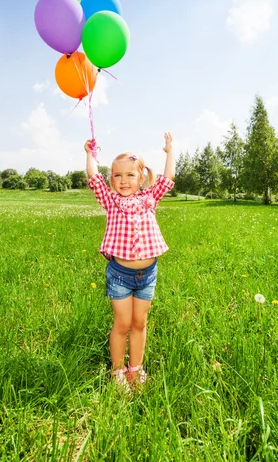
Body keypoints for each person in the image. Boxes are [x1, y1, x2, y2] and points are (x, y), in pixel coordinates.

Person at [85, 133, 175, 389]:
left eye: (130, 175)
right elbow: (93, 179)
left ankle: (135, 369)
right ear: (111, 179)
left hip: (147, 275)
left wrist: (170, 151)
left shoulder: (149, 199)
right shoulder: (111, 201)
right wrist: (90, 154)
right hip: (120, 275)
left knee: (139, 323)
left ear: (142, 177)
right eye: (117, 175)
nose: (124, 181)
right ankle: (117, 372)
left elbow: (168, 179)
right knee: (122, 323)